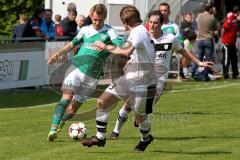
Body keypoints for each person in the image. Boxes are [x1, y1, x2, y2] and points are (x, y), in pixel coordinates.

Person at [109, 10, 213, 141]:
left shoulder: (170, 38)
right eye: (150, 22)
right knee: (129, 104)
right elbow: (132, 51)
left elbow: (184, 51)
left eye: (155, 23)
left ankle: (141, 124)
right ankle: (116, 131)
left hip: (158, 80)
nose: (152, 25)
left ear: (161, 24)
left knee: (145, 109)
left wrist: (199, 63)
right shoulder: (143, 35)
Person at [81, 5, 157, 151]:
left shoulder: (138, 31)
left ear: (126, 21)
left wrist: (105, 46)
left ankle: (146, 139)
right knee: (103, 101)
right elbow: (137, 52)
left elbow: (126, 51)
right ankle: (100, 137)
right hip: (129, 78)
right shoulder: (140, 31)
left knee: (141, 117)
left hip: (145, 82)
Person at [47, 4, 125, 142]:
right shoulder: (85, 30)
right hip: (76, 68)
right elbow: (72, 45)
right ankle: (52, 129)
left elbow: (121, 45)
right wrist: (57, 54)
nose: (97, 22)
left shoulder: (110, 32)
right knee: (66, 97)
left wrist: (107, 46)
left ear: (104, 18)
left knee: (71, 111)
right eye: (94, 19)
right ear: (91, 16)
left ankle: (62, 123)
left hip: (92, 77)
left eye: (100, 20)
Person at [192, 2, 218, 81]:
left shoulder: (199, 16)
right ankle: (205, 76)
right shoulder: (212, 17)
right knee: (208, 59)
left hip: (199, 39)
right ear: (210, 9)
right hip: (208, 39)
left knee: (198, 59)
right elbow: (215, 31)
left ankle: (193, 73)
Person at [221, 9, 240, 79]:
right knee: (226, 59)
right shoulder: (230, 18)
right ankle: (225, 74)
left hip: (232, 43)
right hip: (227, 43)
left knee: (234, 58)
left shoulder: (236, 21)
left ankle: (235, 74)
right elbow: (224, 28)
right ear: (236, 13)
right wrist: (222, 39)